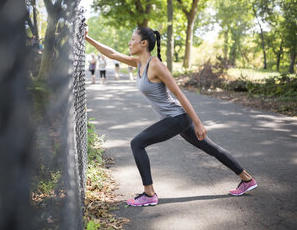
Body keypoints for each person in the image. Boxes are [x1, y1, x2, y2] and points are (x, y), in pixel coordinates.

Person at [85, 27, 257, 207]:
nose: (129, 43)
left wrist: (198, 123)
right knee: (210, 148)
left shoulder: (156, 65)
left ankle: (149, 194)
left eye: (132, 39)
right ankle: (247, 179)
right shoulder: (138, 63)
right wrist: (88, 38)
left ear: (143, 43)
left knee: (137, 143)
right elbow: (111, 53)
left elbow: (179, 94)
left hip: (177, 118)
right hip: (176, 118)